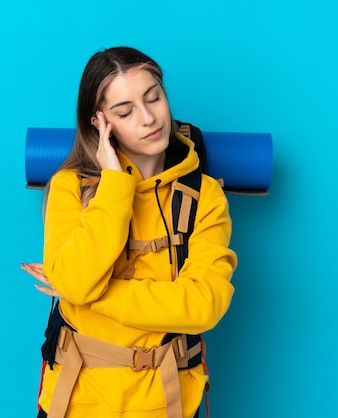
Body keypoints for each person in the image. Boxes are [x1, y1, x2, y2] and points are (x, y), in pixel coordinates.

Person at [21, 46, 237, 418]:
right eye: (125, 111)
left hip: (167, 401)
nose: (149, 118)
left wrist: (88, 295)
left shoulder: (205, 197)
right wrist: (115, 185)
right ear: (101, 122)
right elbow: (75, 278)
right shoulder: (70, 186)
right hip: (76, 399)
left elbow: (205, 304)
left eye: (154, 98)